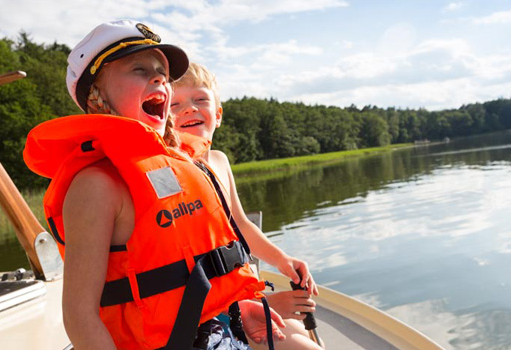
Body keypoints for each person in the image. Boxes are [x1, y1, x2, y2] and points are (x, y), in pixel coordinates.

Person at [22, 20, 310, 350]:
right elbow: (79, 317)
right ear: (96, 96)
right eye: (139, 70)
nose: (159, 78)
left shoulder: (185, 165)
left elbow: (192, 281)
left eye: (162, 72)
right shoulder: (96, 186)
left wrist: (237, 310)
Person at [171, 62, 323, 350]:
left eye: (200, 99)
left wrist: (282, 260)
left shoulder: (219, 161)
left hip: (245, 296)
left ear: (217, 114)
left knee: (301, 334)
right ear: (164, 119)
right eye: (175, 104)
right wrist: (257, 303)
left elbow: (240, 223)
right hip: (213, 314)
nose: (189, 109)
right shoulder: (172, 174)